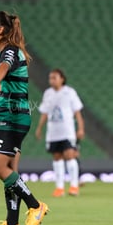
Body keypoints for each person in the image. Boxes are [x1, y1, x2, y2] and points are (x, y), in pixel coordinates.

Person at [0, 11, 48, 225]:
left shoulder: (9, 51)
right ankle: (12, 224)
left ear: (1, 30)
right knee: (10, 171)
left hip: (12, 117)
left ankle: (36, 206)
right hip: (7, 117)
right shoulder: (1, 52)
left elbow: (5, 67)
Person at [35, 69, 84, 197]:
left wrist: (81, 128)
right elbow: (45, 112)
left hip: (67, 131)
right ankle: (59, 188)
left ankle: (74, 186)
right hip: (53, 132)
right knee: (57, 157)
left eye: (54, 77)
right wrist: (39, 128)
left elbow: (77, 112)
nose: (51, 80)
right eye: (50, 78)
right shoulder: (48, 93)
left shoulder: (69, 92)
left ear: (62, 78)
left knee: (70, 155)